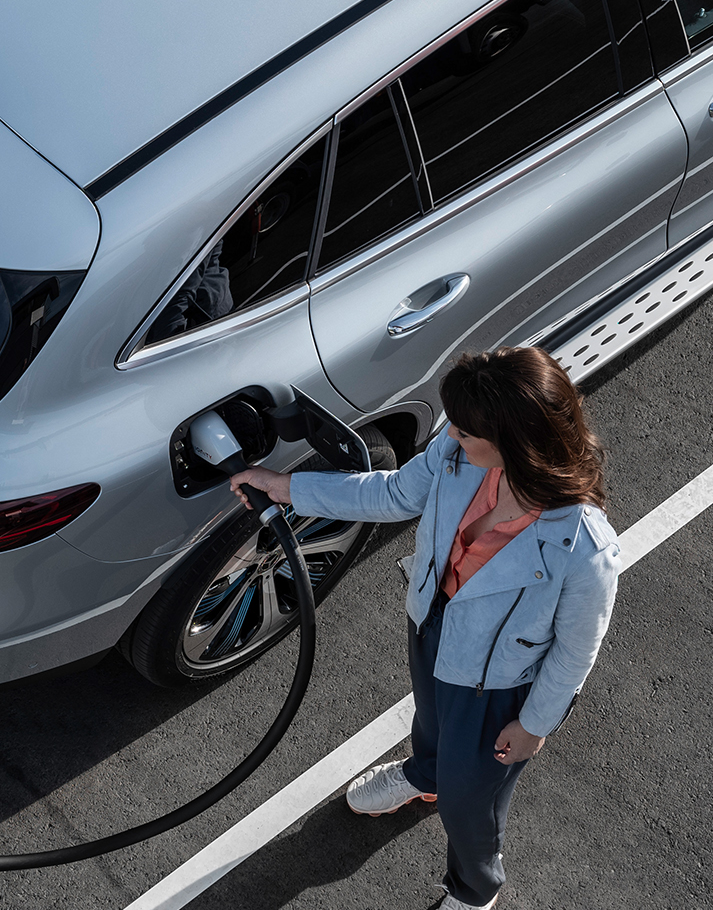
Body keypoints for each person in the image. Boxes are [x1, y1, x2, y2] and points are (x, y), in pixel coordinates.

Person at [232, 347, 620, 910]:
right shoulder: (459, 454)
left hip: (495, 689)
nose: (450, 437)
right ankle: (425, 774)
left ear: (515, 437)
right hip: (431, 628)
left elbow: (575, 651)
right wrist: (287, 488)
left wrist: (534, 725)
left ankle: (474, 890)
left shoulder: (584, 548)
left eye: (465, 432)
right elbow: (392, 493)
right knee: (431, 724)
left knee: (472, 806)